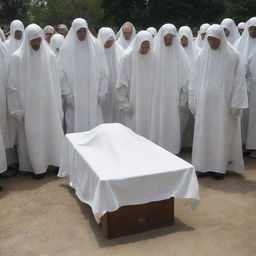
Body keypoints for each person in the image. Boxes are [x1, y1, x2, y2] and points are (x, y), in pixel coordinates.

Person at [189, 24, 248, 180]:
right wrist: (193, 101)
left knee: (220, 136)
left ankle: (218, 168)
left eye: (215, 40)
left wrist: (237, 103)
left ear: (221, 38)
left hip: (224, 107)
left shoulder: (233, 56)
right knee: (205, 134)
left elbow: (239, 82)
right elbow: (194, 81)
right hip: (205, 105)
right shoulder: (202, 56)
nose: (212, 43)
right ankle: (203, 166)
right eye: (209, 40)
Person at [7, 24, 64, 179]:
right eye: (34, 41)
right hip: (28, 109)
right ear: (28, 41)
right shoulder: (17, 58)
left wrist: (58, 107)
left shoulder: (50, 56)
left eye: (39, 40)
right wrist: (16, 110)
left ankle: (53, 162)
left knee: (51, 133)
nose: (37, 44)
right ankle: (36, 167)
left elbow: (56, 84)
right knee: (32, 138)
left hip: (48, 106)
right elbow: (12, 86)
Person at [58, 18, 108, 133]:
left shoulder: (95, 46)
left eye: (84, 31)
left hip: (93, 95)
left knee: (94, 125)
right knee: (75, 126)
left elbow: (103, 70)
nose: (82, 34)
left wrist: (102, 90)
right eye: (79, 31)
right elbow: (61, 73)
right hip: (75, 97)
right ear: (74, 31)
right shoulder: (66, 48)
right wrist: (67, 93)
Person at [150, 24, 190, 154]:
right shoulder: (153, 52)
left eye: (171, 38)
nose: (168, 40)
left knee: (171, 125)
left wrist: (183, 99)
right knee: (156, 123)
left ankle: (172, 151)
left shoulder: (180, 54)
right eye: (166, 38)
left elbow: (186, 78)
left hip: (173, 98)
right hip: (156, 97)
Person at [116, 31, 154, 138]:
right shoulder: (126, 58)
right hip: (132, 103)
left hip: (148, 103)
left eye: (148, 47)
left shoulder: (152, 57)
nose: (145, 49)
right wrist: (124, 103)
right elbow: (121, 82)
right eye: (143, 46)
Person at [235, 17, 256, 145]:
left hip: (254, 88)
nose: (253, 31)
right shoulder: (239, 44)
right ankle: (242, 143)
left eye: (255, 29)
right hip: (242, 87)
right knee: (243, 117)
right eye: (251, 29)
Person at [178, 26, 200, 147]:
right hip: (180, 92)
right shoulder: (176, 52)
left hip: (194, 91)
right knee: (181, 119)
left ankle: (192, 144)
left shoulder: (198, 52)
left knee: (193, 120)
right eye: (181, 39)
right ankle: (180, 143)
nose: (183, 42)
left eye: (185, 39)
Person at [98, 27, 124, 123]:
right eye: (107, 41)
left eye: (111, 41)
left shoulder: (120, 51)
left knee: (115, 114)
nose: (110, 44)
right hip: (101, 91)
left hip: (115, 90)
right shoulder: (96, 51)